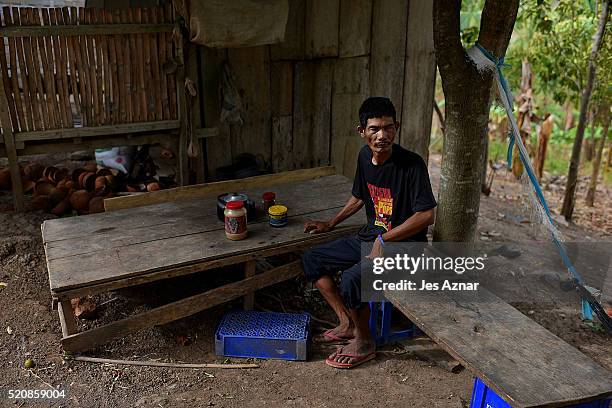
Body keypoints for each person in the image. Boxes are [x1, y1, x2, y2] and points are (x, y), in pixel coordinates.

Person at [302, 97, 437, 369]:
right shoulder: (364, 157)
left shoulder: (412, 165)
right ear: (361, 131)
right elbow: (359, 197)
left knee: (353, 279)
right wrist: (331, 222)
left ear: (396, 127)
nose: (382, 135)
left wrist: (383, 239)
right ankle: (348, 323)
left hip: (405, 248)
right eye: (374, 129)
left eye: (388, 128)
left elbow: (426, 215)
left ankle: (365, 342)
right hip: (371, 238)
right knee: (312, 259)